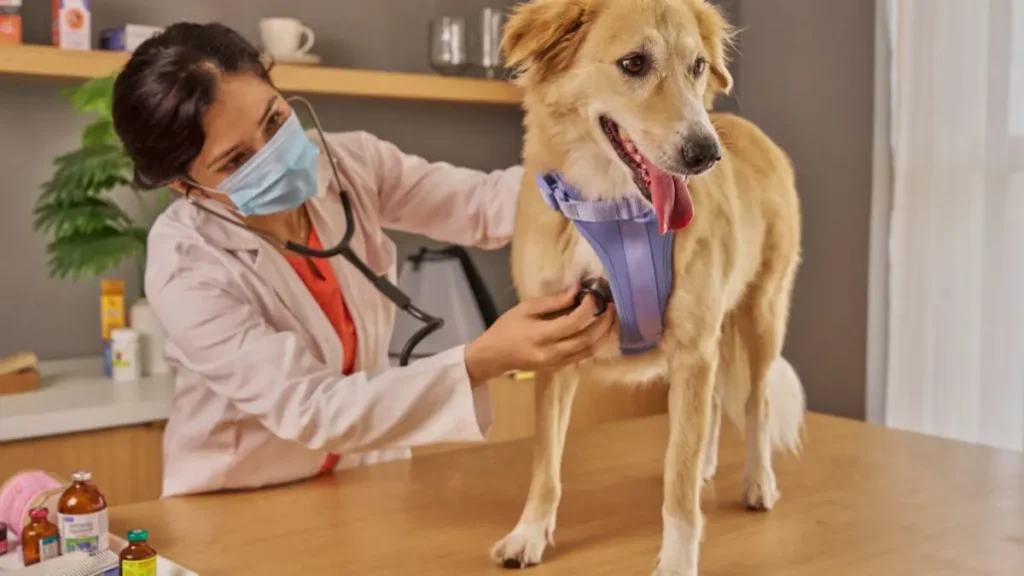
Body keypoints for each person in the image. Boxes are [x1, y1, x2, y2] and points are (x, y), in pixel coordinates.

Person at [110, 22, 615, 498]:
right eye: (236, 160)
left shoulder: (348, 165)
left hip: (363, 483)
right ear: (183, 185)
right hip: (238, 497)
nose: (273, 152)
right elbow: (314, 407)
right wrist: (485, 358)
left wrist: (602, 168)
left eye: (274, 119)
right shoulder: (186, 265)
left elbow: (483, 204)